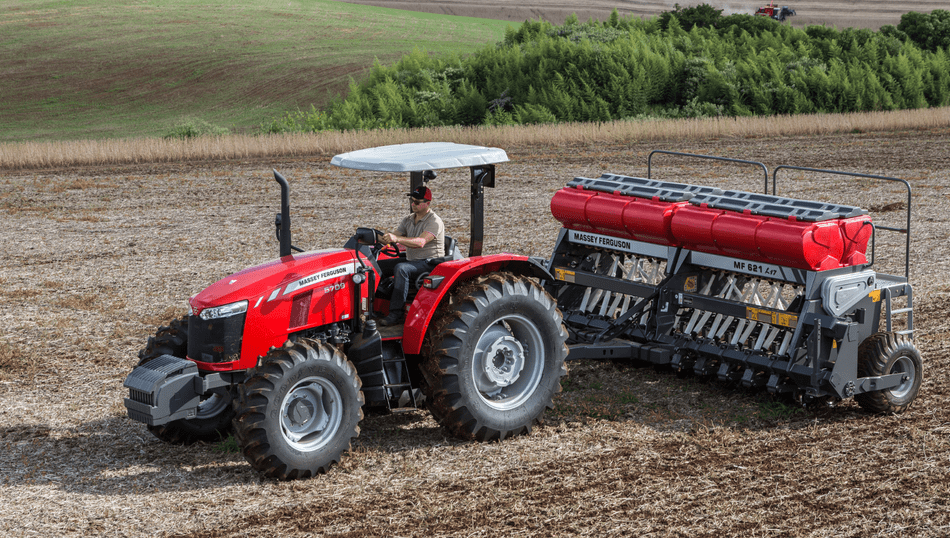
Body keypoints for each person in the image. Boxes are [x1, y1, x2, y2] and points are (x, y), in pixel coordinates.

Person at [378, 185, 445, 326]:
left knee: (402, 268)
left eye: (417, 202)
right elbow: (394, 236)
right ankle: (377, 305)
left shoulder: (434, 221)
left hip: (429, 262)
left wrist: (397, 239)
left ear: (427, 203)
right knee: (378, 265)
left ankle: (396, 313)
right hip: (412, 259)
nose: (413, 204)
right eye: (412, 201)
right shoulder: (408, 219)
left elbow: (421, 242)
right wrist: (376, 237)